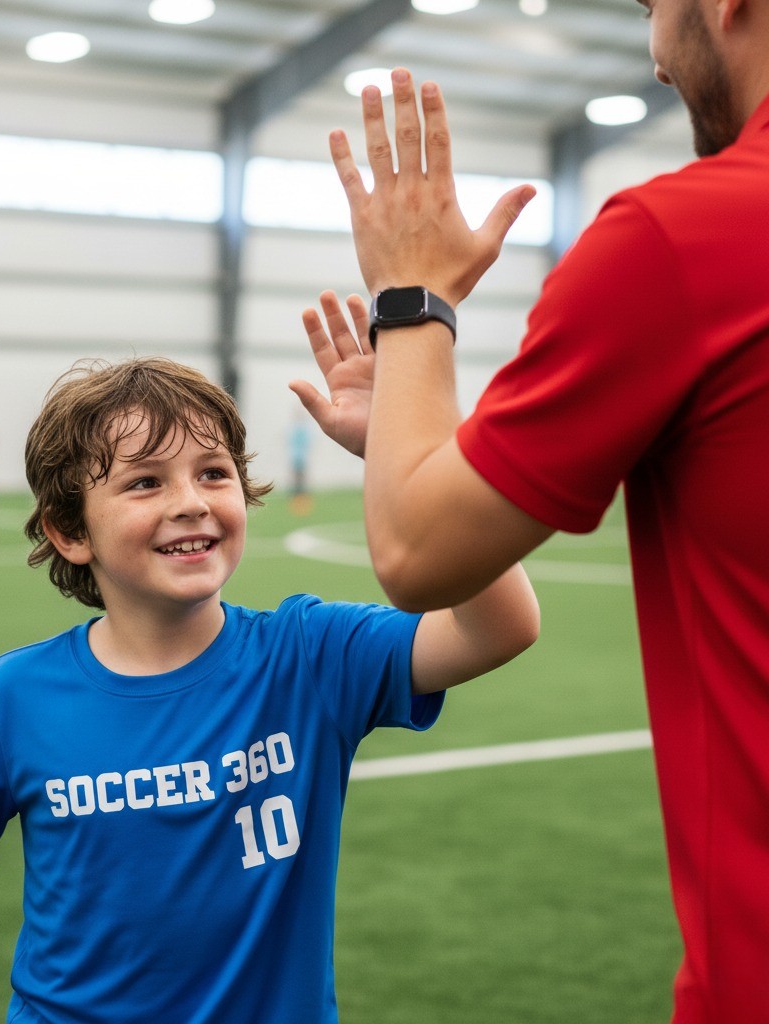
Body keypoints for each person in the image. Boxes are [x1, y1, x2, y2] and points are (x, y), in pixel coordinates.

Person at [0, 357, 538, 1024]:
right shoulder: (15, 696)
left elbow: (500, 627)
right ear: (69, 531)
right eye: (145, 482)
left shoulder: (310, 655)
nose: (191, 501)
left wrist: (411, 452)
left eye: (213, 473)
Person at [293, 0, 769, 1016]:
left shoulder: (681, 238)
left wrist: (412, 294)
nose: (655, 59)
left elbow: (418, 549)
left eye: (653, 7)